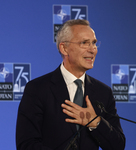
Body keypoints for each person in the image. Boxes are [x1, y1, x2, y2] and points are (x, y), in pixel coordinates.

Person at [16, 19, 126, 150]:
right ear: (64, 48)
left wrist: (95, 122)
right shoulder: (37, 89)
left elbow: (117, 146)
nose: (93, 50)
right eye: (84, 43)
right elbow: (26, 144)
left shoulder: (103, 92)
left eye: (94, 43)